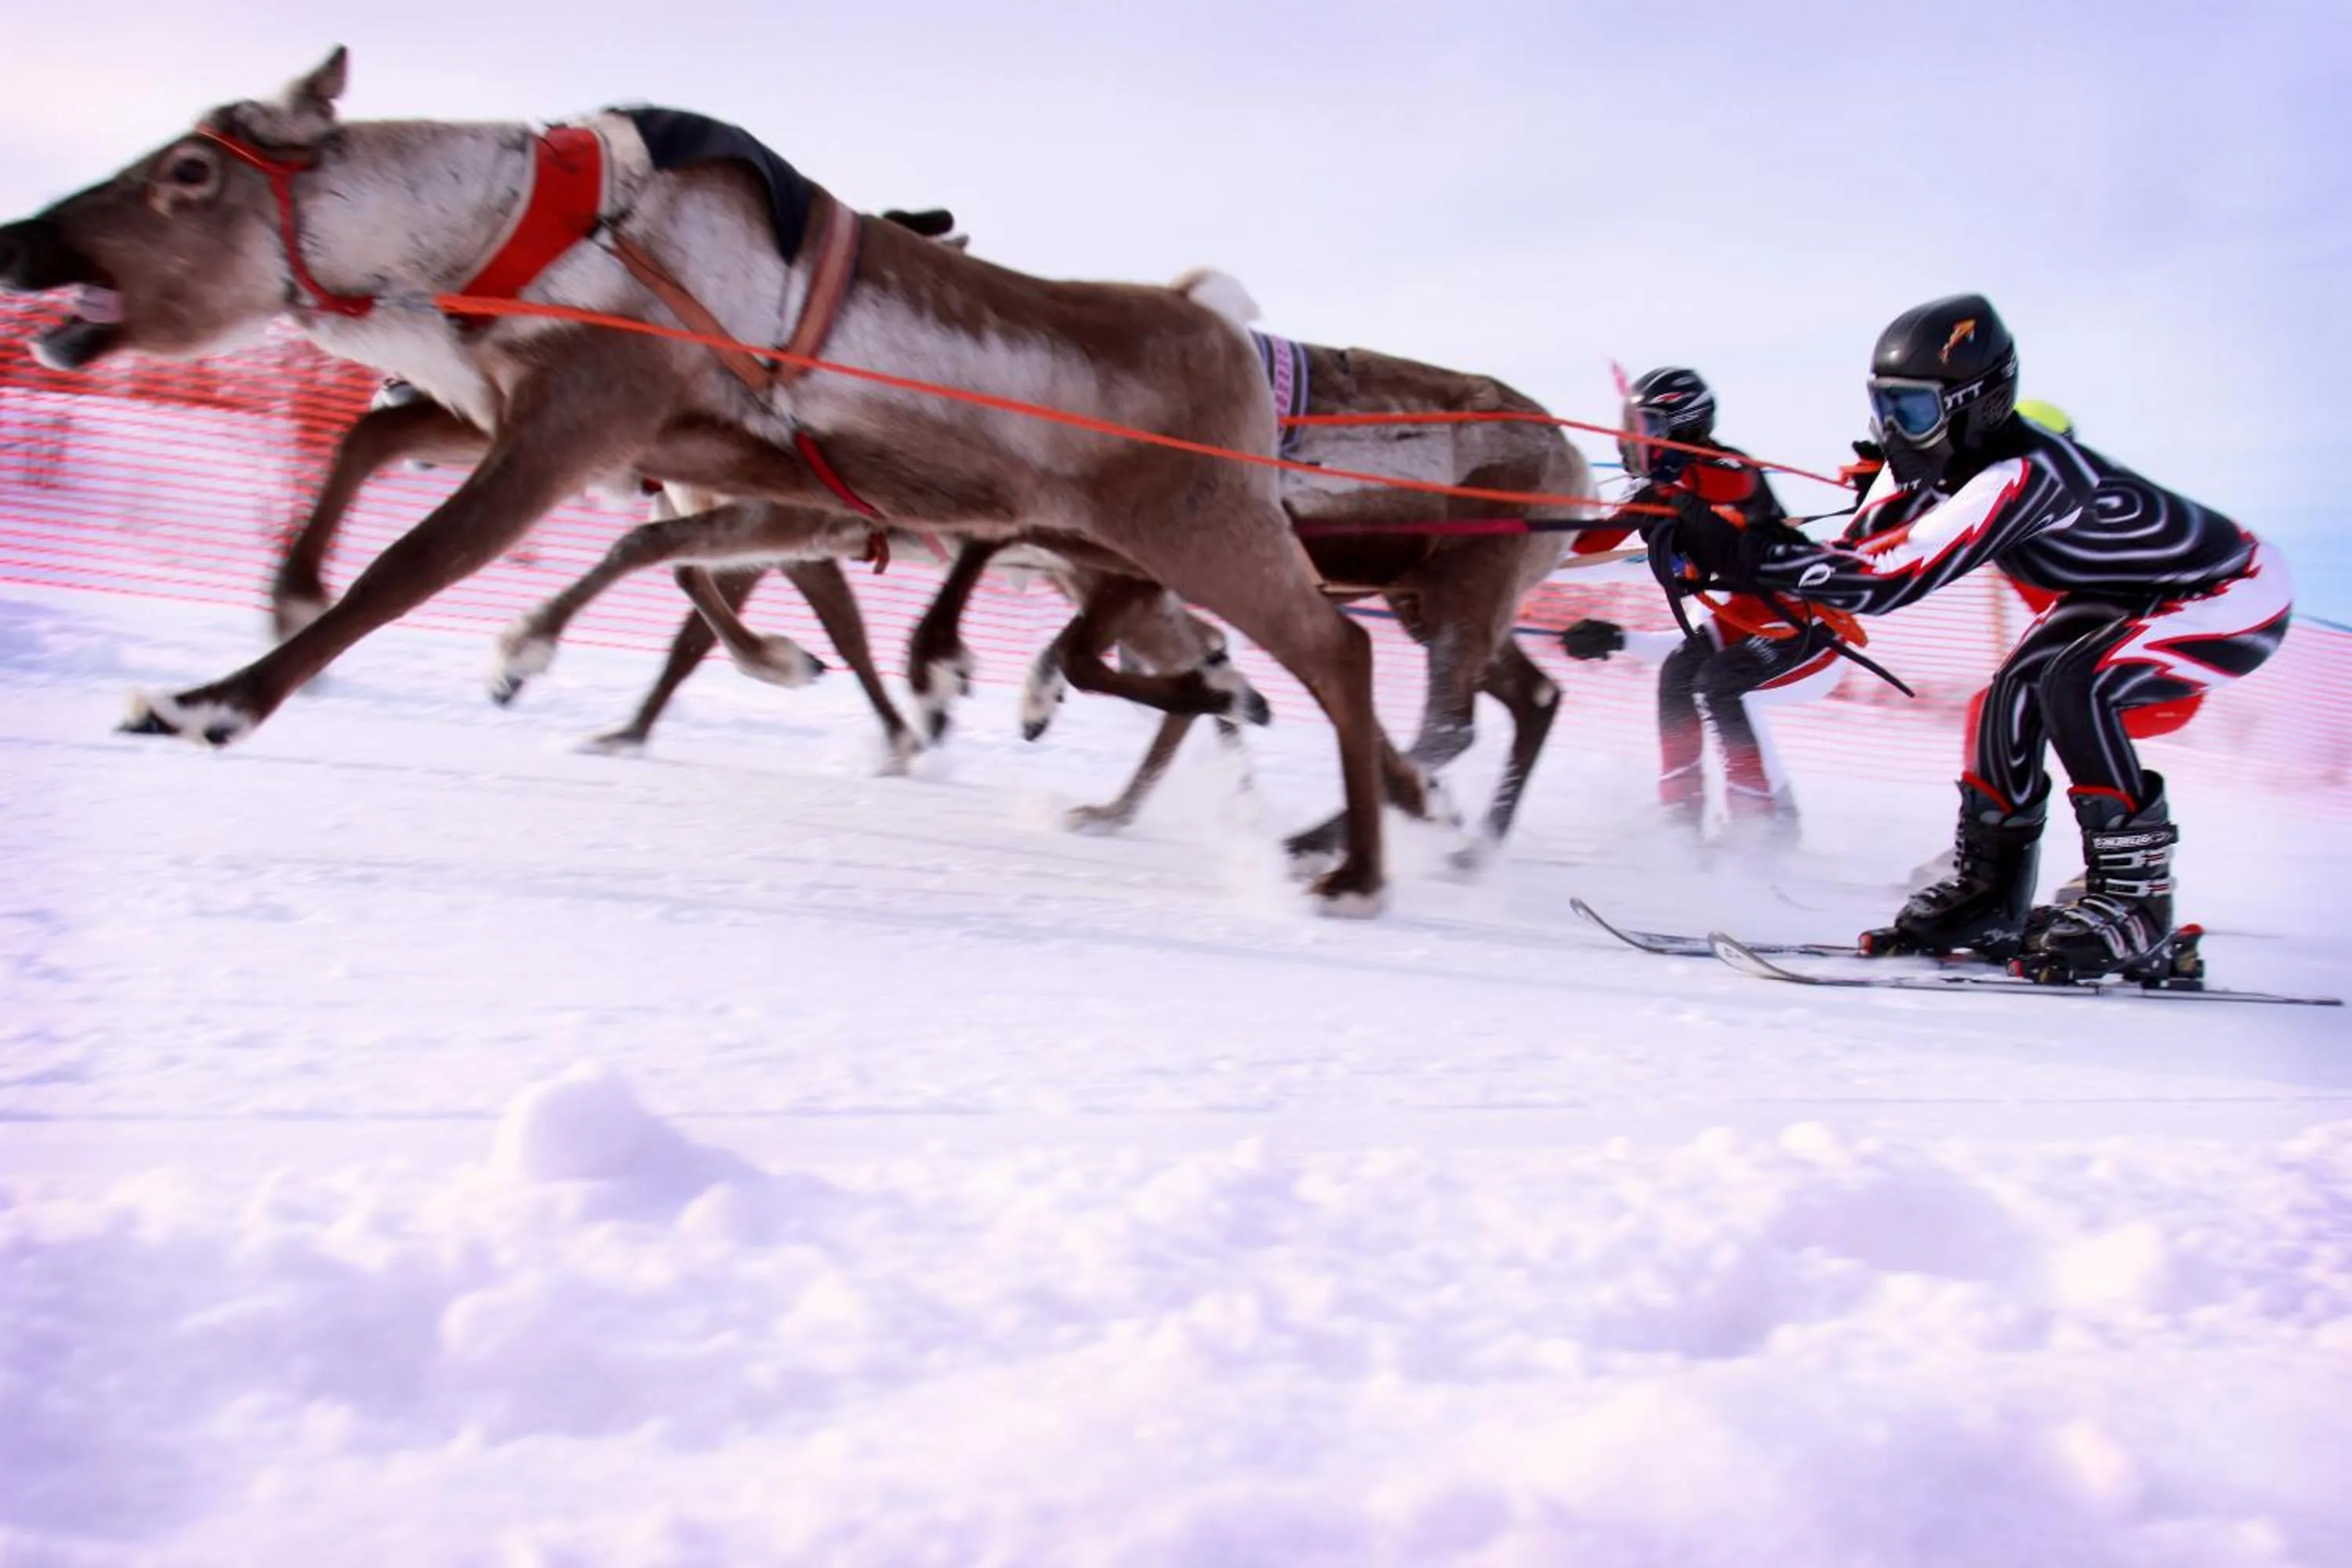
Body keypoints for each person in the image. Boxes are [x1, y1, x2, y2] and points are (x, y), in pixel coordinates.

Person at [1660, 296, 2293, 979]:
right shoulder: (1940, 465)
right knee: (2010, 697)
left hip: (2233, 591)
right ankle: (1990, 894)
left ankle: (2138, 901)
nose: (1893, 429)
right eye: (1884, 406)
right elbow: (1846, 556)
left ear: (1978, 405)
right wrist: (1722, 546)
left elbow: (1886, 581)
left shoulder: (2028, 474)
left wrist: (1748, 549)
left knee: (2073, 682)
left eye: (1912, 410)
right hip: (2125, 591)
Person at [1559, 368, 1847, 849]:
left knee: (1718, 684)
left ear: (1684, 423)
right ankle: (1680, 813)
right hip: (1746, 618)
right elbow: (1590, 543)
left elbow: (1725, 486)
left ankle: (1761, 823)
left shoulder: (1729, 468)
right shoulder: (1654, 489)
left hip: (1803, 622)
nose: (1633, 440)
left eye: (1646, 427)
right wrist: (1522, 528)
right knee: (1678, 674)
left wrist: (1667, 472)